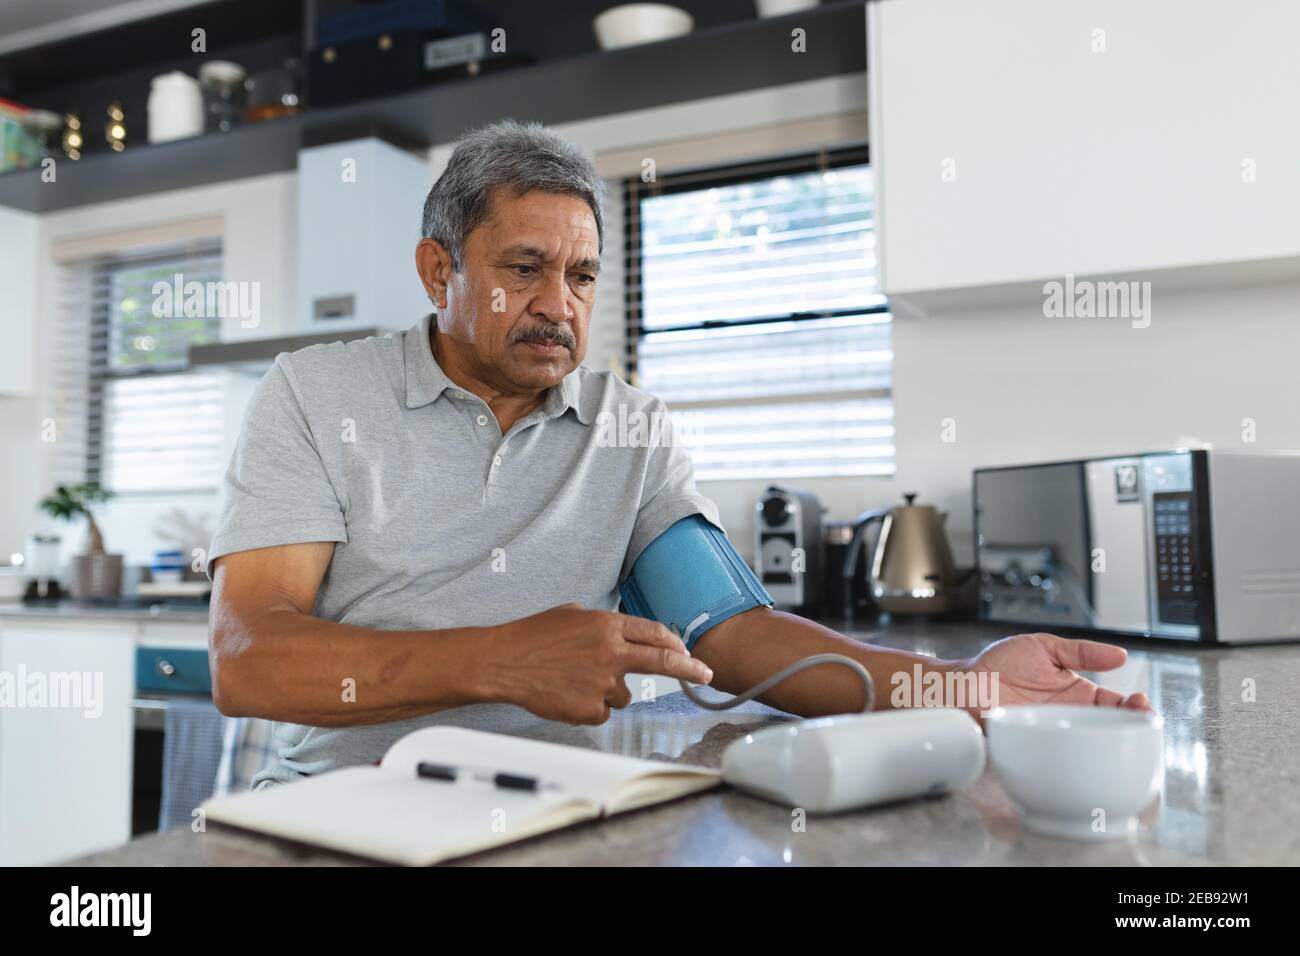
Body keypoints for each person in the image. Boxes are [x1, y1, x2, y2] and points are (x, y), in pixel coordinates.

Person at [207, 120, 1151, 788]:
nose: (559, 305)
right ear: (437, 270)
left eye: (580, 276)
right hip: (340, 817)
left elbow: (735, 635)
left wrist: (967, 687)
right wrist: (500, 660)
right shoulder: (312, 393)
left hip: (552, 816)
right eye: (523, 269)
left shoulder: (629, 426)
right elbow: (249, 657)